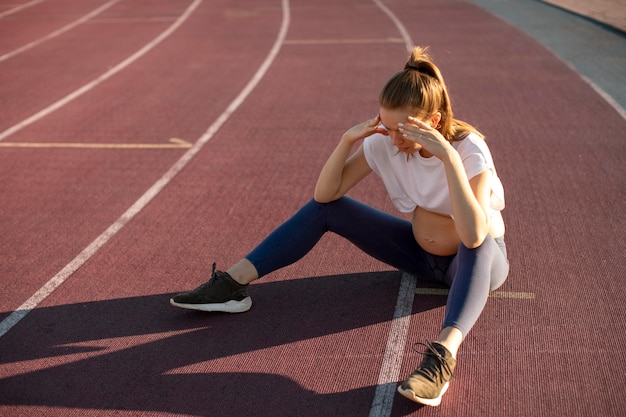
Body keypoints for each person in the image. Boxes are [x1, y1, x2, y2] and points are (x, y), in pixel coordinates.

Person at [170, 46, 509, 407]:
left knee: (481, 238)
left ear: (436, 123)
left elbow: (472, 233)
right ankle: (233, 285)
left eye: (404, 131)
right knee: (330, 210)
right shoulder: (384, 144)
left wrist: (448, 159)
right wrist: (347, 140)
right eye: (387, 126)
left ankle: (441, 358)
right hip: (420, 256)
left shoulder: (468, 149)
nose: (393, 139)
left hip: (473, 265)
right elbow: (325, 196)